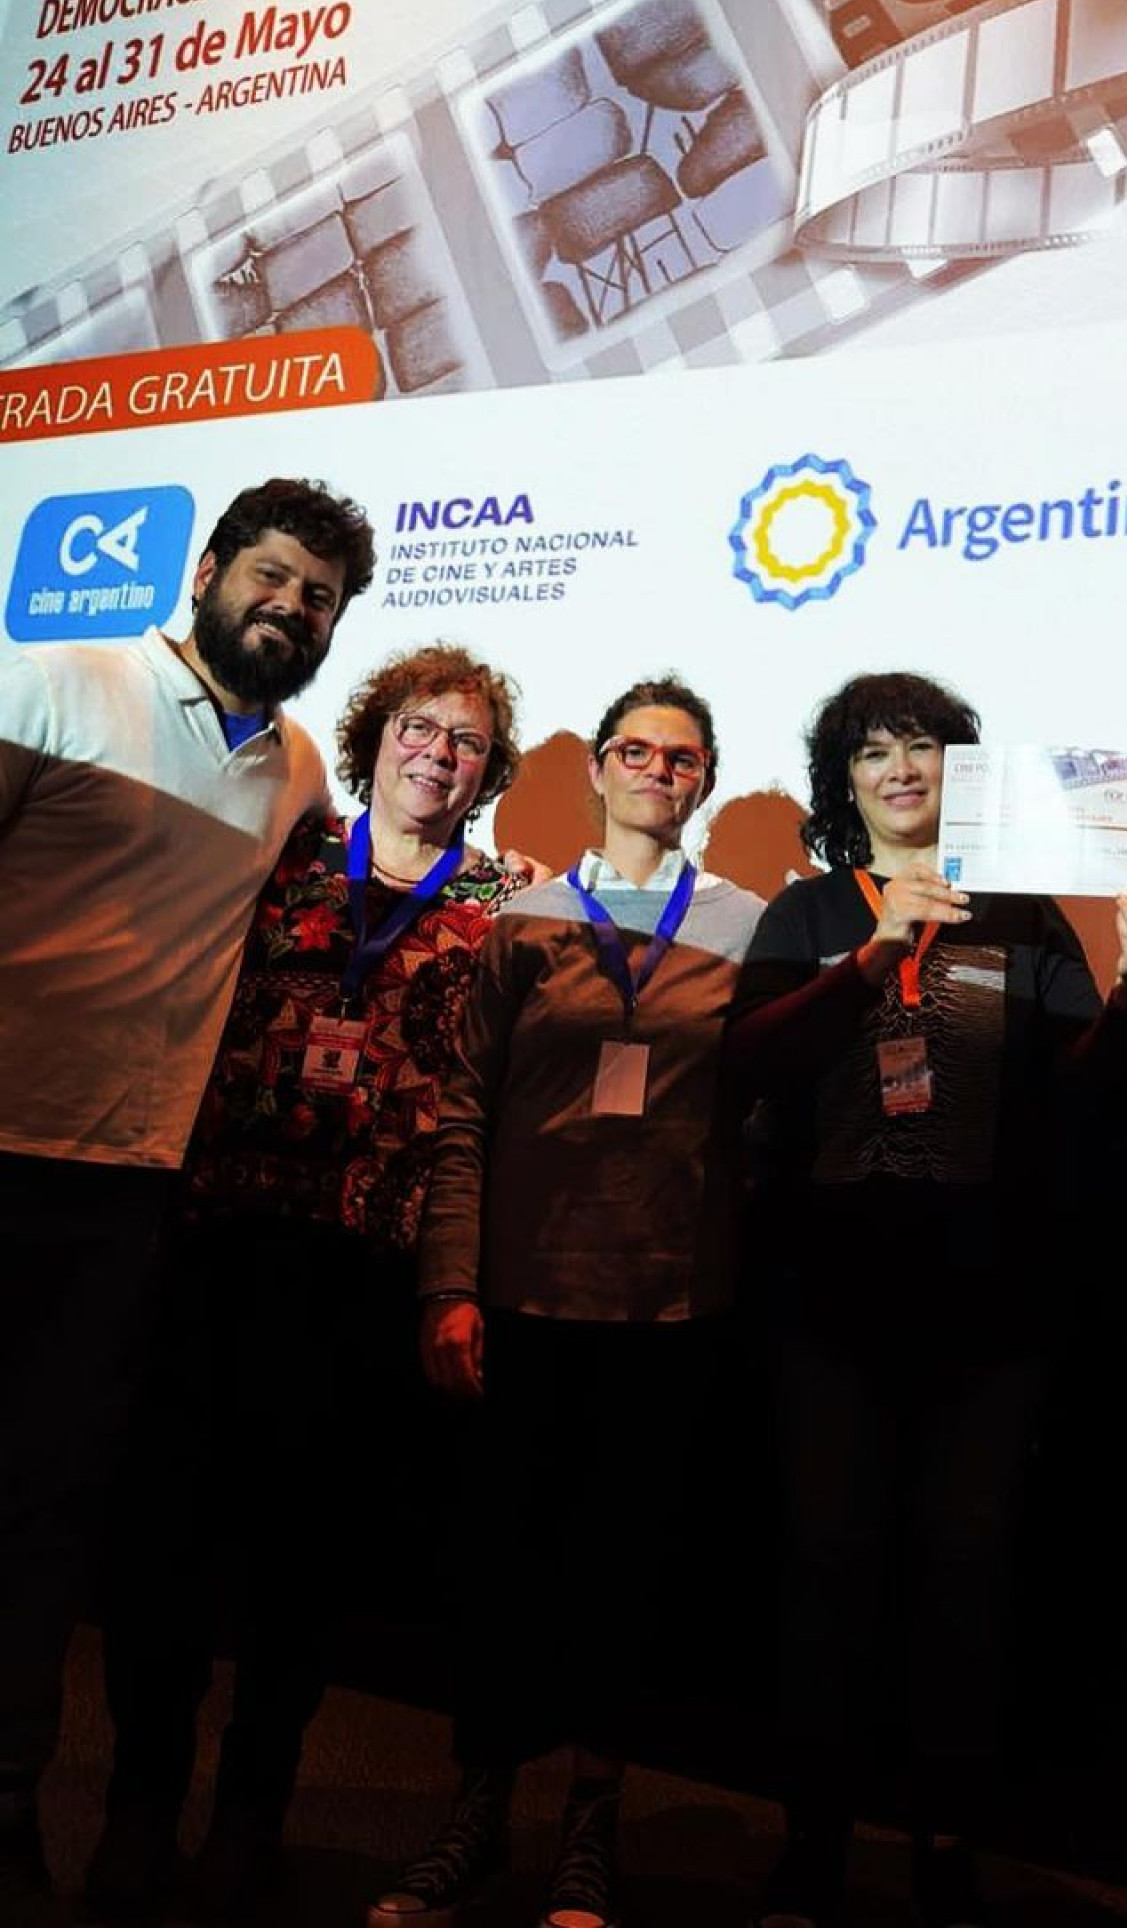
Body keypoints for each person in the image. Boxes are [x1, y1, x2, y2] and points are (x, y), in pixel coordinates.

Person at [728, 670, 1127, 1928]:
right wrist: (869, 961)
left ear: (959, 769)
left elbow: (1088, 1084)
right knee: (826, 1571)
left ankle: (946, 1844)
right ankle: (813, 1844)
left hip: (989, 1308)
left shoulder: (1021, 911)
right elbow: (751, 1059)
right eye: (873, 752)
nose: (900, 769)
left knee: (966, 1582)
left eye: (922, 746)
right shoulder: (809, 909)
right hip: (829, 1303)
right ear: (846, 782)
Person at [82, 643, 528, 1920]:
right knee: (165, 1552)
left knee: (303, 1569)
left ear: (487, 773)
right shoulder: (282, 859)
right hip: (217, 1243)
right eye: (420, 726)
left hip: (369, 1268)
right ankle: (138, 1805)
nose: (439, 753)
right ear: (374, 737)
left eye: (467, 741)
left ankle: (250, 1817)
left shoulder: (507, 903)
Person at [0, 475, 373, 1921]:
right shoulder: (52, 682)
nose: (291, 608)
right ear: (208, 569)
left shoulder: (295, 772)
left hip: (124, 1196)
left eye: (320, 598)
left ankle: (7, 1808)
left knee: (42, 1524)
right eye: (272, 576)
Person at [370, 677, 764, 1928]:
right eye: (635, 751)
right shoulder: (527, 921)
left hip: (668, 1308)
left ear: (704, 781)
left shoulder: (752, 929)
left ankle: (591, 1822)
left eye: (681, 758)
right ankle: (477, 1810)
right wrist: (449, 1284)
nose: (657, 771)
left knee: (623, 1578)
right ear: (598, 768)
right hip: (522, 1300)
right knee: (500, 1572)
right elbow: (465, 1115)